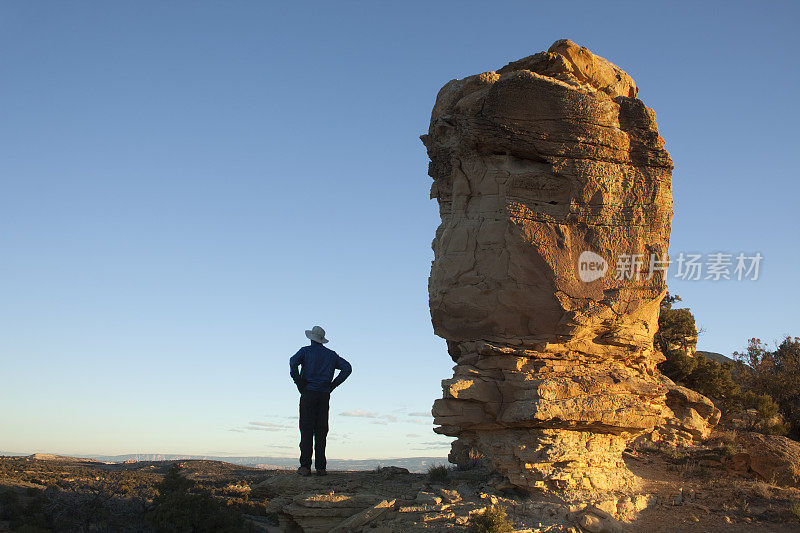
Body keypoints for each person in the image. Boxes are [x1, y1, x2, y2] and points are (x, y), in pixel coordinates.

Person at [289, 325, 352, 477]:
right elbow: (347, 368)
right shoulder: (331, 355)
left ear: (311, 338)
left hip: (308, 392)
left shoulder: (305, 351)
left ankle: (305, 467)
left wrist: (299, 382)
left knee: (306, 429)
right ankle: (321, 468)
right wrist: (333, 385)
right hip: (324, 394)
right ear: (322, 340)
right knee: (321, 430)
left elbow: (292, 362)